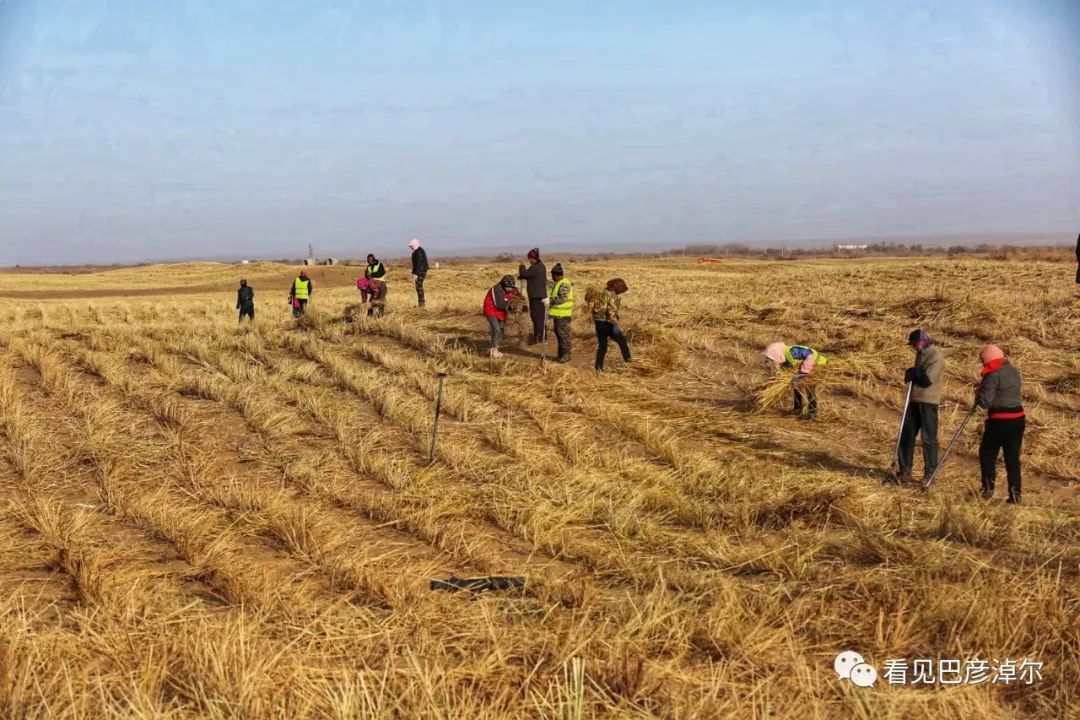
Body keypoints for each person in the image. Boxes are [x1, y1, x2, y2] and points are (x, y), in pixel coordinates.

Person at [975, 344, 1025, 504]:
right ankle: (1015, 495)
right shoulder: (1013, 370)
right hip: (1018, 419)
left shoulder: (992, 375)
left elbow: (985, 402)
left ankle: (988, 489)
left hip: (999, 420)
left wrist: (979, 394)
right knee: (1012, 458)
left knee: (987, 453)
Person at [896, 329, 944, 484]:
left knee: (928, 438)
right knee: (906, 435)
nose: (914, 347)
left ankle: (930, 473)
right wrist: (912, 373)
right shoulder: (920, 354)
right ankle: (905, 470)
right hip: (914, 399)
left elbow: (927, 379)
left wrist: (914, 372)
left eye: (915, 344)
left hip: (928, 401)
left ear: (923, 341)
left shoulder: (936, 356)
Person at [763, 342, 828, 420]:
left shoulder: (792, 351)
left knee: (809, 388)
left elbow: (809, 355)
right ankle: (797, 410)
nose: (773, 360)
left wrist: (803, 372)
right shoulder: (783, 359)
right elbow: (784, 372)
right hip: (803, 369)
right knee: (796, 387)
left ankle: (812, 413)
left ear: (776, 353)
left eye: (773, 357)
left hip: (816, 365)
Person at [591, 278, 631, 371]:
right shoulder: (612, 296)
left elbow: (594, 309)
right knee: (622, 341)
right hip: (608, 323)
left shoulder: (600, 294)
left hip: (598, 323)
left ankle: (598, 368)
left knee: (602, 346)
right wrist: (615, 324)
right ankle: (629, 363)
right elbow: (610, 312)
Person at [482, 275, 519, 358]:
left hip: (501, 312)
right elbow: (499, 304)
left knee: (501, 330)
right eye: (508, 288)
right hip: (491, 310)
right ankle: (494, 350)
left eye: (511, 287)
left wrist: (518, 297)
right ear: (503, 284)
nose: (509, 289)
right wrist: (512, 306)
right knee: (496, 329)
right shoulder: (496, 289)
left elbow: (515, 291)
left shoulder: (510, 288)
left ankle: (495, 348)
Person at [517, 248, 548, 344]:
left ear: (535, 258)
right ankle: (541, 336)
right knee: (540, 317)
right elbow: (528, 275)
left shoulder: (535, 268)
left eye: (531, 258)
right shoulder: (540, 266)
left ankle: (539, 338)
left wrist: (522, 266)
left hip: (536, 297)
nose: (530, 260)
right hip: (539, 296)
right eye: (529, 258)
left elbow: (524, 273)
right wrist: (523, 276)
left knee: (537, 318)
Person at [547, 263, 574, 363]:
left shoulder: (564, 284)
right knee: (559, 335)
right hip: (558, 314)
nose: (552, 277)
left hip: (563, 315)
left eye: (553, 275)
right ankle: (561, 355)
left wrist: (550, 300)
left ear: (556, 275)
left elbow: (562, 298)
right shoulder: (558, 283)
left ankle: (566, 355)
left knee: (563, 336)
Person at [409, 238, 429, 307]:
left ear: (415, 245)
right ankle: (421, 303)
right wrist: (413, 273)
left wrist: (416, 274)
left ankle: (422, 304)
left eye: (411, 246)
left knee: (419, 287)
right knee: (418, 287)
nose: (411, 247)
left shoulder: (419, 252)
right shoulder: (416, 251)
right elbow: (415, 264)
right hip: (419, 272)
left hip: (421, 272)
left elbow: (419, 264)